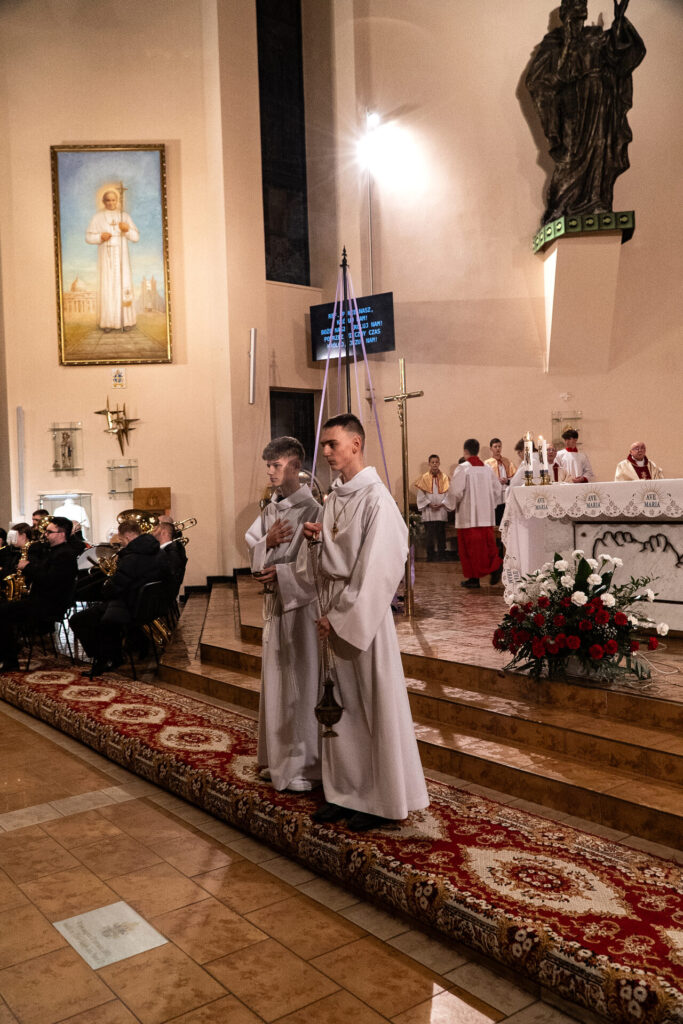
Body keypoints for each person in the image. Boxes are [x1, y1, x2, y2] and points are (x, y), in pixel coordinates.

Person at [299, 414, 429, 832]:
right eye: (324, 445)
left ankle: (379, 800)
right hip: (333, 609)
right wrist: (319, 541)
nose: (326, 452)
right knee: (341, 709)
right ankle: (344, 792)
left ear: (356, 444)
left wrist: (341, 618)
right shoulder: (335, 497)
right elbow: (339, 555)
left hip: (362, 619)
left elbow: (381, 567)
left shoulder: (377, 499)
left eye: (333, 444)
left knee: (370, 707)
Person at [245, 436, 322, 793]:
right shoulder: (271, 510)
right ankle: (278, 759)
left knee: (300, 685)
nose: (270, 472)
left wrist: (283, 573)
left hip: (302, 610)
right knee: (278, 683)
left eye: (276, 465)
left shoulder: (314, 510)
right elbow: (254, 547)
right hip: (276, 606)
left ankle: (305, 765)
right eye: (268, 466)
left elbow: (319, 565)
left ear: (295, 466)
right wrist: (267, 544)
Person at [526, 0, 646, 224]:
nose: (577, 22)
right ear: (564, 16)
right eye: (573, 17)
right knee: (570, 157)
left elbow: (621, 54)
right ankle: (560, 206)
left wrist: (619, 23)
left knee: (600, 148)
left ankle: (597, 201)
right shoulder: (554, 43)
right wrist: (568, 47)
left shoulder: (595, 37)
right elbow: (538, 81)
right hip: (572, 108)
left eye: (581, 16)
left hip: (601, 103)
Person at [70, 519, 171, 677]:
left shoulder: (132, 558)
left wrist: (105, 587)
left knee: (79, 619)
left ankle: (104, 659)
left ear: (128, 537)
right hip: (147, 604)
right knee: (100, 614)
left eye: (122, 540)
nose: (121, 543)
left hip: (131, 607)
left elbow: (115, 587)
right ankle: (113, 656)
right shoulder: (158, 551)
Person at [0, 517, 78, 670]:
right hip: (42, 599)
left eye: (49, 532)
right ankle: (9, 650)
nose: (45, 535)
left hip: (51, 604)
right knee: (4, 607)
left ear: (62, 534)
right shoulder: (52, 551)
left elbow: (49, 580)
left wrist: (27, 567)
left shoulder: (65, 555)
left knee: (3, 611)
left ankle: (10, 660)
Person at [446, 438, 503, 588]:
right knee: (487, 546)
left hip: (468, 516)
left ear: (465, 451)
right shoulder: (487, 468)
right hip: (486, 516)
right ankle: (480, 574)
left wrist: (449, 505)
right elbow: (497, 489)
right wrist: (490, 505)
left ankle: (480, 575)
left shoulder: (463, 468)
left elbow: (456, 492)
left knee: (470, 549)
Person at [85, 187, 140, 332]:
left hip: (122, 257)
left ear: (117, 201)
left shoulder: (124, 216)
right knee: (108, 287)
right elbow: (88, 237)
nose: (111, 203)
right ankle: (108, 323)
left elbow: (136, 237)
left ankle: (126, 321)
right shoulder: (97, 217)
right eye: (108, 200)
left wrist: (127, 230)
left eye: (113, 200)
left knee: (124, 285)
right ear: (103, 201)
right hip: (106, 257)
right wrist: (100, 237)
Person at [414, 454, 450, 561]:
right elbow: (421, 495)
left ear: (439, 463)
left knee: (441, 534)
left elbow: (449, 494)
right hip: (428, 510)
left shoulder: (445, 478)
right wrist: (428, 503)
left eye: (436, 462)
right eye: (432, 462)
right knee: (429, 534)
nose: (435, 464)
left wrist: (443, 503)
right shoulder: (424, 478)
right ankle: (430, 555)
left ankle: (442, 554)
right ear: (429, 464)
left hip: (441, 510)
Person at [153, 517, 188, 600]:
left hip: (161, 597)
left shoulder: (171, 552)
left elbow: (170, 579)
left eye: (155, 529)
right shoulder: (166, 550)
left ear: (163, 532)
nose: (152, 531)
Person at [484, 439, 516, 525]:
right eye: (495, 447)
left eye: (499, 446)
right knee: (496, 519)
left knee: (506, 518)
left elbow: (514, 478)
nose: (498, 449)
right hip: (495, 496)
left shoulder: (507, 461)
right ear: (491, 448)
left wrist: (507, 480)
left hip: (506, 494)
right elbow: (485, 480)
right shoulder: (487, 463)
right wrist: (495, 481)